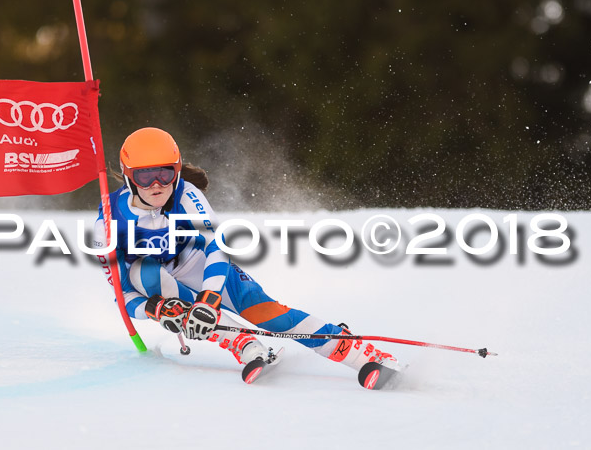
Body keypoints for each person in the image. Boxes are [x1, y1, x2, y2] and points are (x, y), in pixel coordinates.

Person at [94, 127, 399, 376]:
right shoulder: (108, 221)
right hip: (159, 283)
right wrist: (154, 310)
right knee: (144, 274)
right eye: (146, 176)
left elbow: (217, 246)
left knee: (266, 314)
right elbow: (122, 294)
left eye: (165, 172)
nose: (157, 184)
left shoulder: (186, 194)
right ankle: (243, 343)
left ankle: (355, 351)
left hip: (204, 266)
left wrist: (210, 298)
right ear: (129, 176)